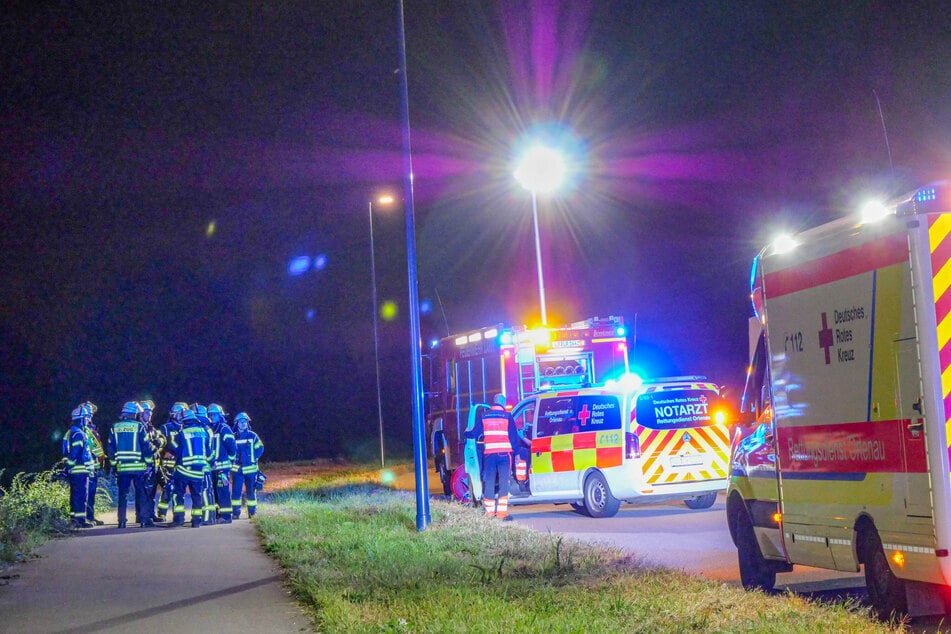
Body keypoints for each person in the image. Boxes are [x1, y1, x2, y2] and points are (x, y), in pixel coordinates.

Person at [470, 393, 521, 520]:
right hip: (504, 455)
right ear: (503, 403)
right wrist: (517, 454)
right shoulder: (507, 416)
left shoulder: (484, 416)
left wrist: (467, 432)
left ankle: (489, 513)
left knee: (489, 482)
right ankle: (502, 514)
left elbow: (474, 434)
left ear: (494, 402)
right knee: (504, 482)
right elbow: (513, 438)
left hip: (489, 456)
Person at [107, 401, 155, 528]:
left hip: (122, 468)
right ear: (134, 414)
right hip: (138, 467)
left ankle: (121, 521)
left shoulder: (115, 427)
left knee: (123, 495)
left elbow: (111, 448)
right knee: (141, 493)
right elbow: (146, 447)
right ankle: (144, 521)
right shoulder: (139, 427)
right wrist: (149, 464)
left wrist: (113, 465)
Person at [170, 407, 211, 527]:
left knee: (178, 494)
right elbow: (208, 451)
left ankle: (179, 519)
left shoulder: (182, 432)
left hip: (184, 469)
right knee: (197, 495)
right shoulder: (204, 432)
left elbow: (176, 448)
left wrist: (171, 439)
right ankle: (196, 520)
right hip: (199, 471)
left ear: (184, 421)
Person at [64, 404, 94, 528]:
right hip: (80, 470)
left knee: (75, 495)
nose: (88, 420)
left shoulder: (72, 432)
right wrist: (69, 466)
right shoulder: (79, 434)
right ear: (81, 419)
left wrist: (68, 468)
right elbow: (75, 451)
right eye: (86, 418)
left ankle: (74, 519)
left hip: (75, 470)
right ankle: (80, 520)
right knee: (81, 496)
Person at [156, 403, 187, 521]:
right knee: (167, 489)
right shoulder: (165, 428)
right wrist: (164, 453)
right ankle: (162, 514)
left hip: (180, 464)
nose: (181, 416)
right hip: (167, 464)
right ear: (174, 415)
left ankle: (178, 515)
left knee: (178, 490)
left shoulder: (184, 428)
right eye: (179, 414)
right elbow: (159, 443)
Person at [207, 403, 236, 523]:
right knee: (214, 491)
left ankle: (226, 516)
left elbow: (232, 447)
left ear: (220, 415)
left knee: (223, 491)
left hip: (223, 467)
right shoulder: (210, 429)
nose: (213, 417)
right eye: (211, 415)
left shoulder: (224, 428)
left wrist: (230, 460)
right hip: (213, 467)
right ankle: (218, 513)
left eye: (215, 415)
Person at [231, 412, 263, 519]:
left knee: (251, 492)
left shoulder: (252, 436)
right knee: (236, 492)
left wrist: (254, 458)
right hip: (237, 470)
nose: (243, 424)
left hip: (251, 470)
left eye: (245, 422)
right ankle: (236, 513)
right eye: (241, 422)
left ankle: (252, 513)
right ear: (237, 423)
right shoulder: (233, 436)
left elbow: (260, 448)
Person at [139, 400, 165, 522]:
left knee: (152, 490)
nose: (149, 414)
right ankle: (142, 516)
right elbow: (144, 446)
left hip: (154, 463)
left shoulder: (151, 428)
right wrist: (154, 446)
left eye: (150, 412)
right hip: (142, 463)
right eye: (147, 412)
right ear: (141, 413)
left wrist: (160, 442)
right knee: (144, 491)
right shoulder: (139, 427)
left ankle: (150, 514)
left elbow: (160, 440)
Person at [82, 402, 105, 526]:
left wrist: (101, 461)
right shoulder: (83, 430)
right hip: (85, 467)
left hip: (93, 467)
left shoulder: (91, 429)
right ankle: (86, 517)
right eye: (89, 413)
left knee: (91, 494)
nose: (91, 416)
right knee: (86, 494)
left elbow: (97, 448)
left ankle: (90, 516)